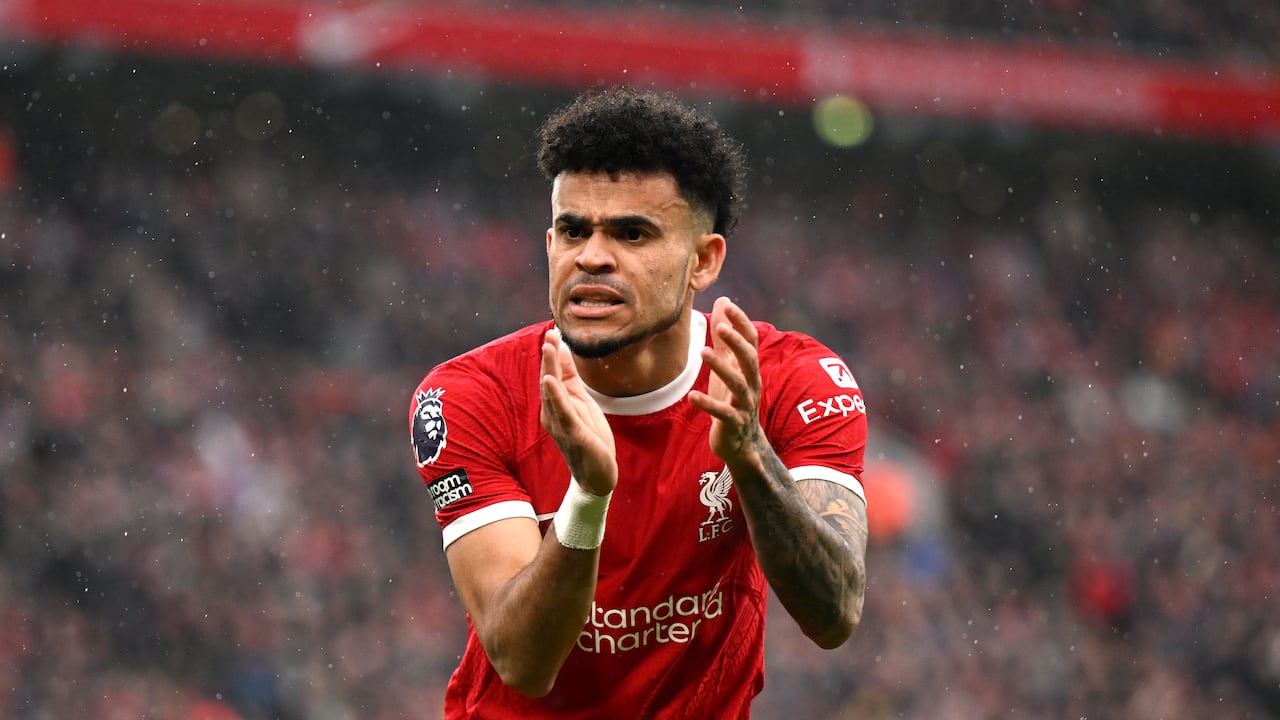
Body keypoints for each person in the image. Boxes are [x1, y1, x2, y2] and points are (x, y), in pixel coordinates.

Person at [409, 87, 869, 719]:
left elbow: (836, 612)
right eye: (573, 230)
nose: (592, 256)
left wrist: (751, 456)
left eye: (632, 233)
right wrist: (588, 496)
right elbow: (522, 662)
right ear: (549, 245)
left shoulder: (794, 381)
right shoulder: (471, 396)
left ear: (703, 261)